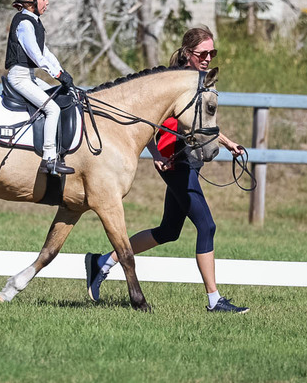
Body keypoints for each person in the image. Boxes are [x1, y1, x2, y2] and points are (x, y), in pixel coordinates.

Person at [84, 24, 249, 313]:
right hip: (174, 161)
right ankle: (214, 300)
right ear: (188, 52)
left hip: (188, 160)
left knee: (169, 230)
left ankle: (102, 262)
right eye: (203, 53)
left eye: (212, 53)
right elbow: (143, 120)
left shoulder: (199, 82)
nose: (208, 58)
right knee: (207, 226)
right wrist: (156, 153)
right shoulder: (171, 81)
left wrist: (227, 142)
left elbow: (200, 123)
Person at [5, 0, 75, 175]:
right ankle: (49, 159)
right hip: (19, 78)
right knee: (52, 109)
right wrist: (58, 75)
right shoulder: (24, 23)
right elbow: (36, 56)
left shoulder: (34, 21)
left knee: (62, 95)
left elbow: (45, 52)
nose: (47, 2)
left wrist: (62, 72)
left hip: (30, 77)